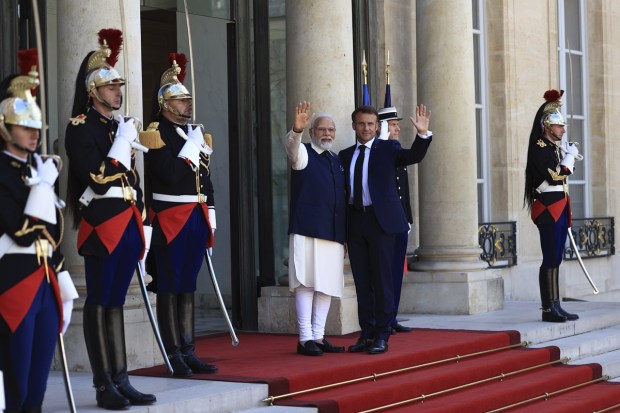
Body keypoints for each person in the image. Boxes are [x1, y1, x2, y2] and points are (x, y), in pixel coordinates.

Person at [64, 29, 156, 409]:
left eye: (119, 86)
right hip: (102, 224)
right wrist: (122, 141)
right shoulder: (81, 128)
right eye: (111, 86)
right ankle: (104, 385)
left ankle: (122, 378)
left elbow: (130, 179)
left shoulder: (117, 127)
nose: (118, 92)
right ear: (93, 91)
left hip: (127, 221)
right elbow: (98, 176)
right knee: (100, 302)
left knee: (116, 301)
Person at [0, 49, 78, 413]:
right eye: (25, 127)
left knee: (37, 382)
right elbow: (19, 230)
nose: (34, 134)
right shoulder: (5, 172)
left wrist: (61, 279)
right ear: (4, 127)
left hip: (46, 277)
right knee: (15, 378)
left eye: (36, 128)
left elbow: (52, 232)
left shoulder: (37, 170)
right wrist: (42, 188)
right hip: (14, 279)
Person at [140, 53, 218, 376]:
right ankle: (172, 352)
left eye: (187, 99)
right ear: (166, 104)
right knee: (170, 287)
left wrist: (211, 213)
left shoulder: (192, 133)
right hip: (171, 219)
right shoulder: (157, 132)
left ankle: (189, 349)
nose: (187, 104)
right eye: (181, 100)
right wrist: (191, 148)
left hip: (195, 217)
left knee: (188, 286)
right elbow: (169, 174)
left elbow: (205, 179)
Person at [339, 104, 431, 354]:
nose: (366, 128)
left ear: (377, 127)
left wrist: (422, 135)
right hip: (356, 223)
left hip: (382, 224)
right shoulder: (345, 155)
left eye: (371, 124)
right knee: (362, 281)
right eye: (361, 124)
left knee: (382, 281)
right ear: (354, 126)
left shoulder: (389, 149)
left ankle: (382, 334)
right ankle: (366, 334)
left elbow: (413, 157)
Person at [283, 101, 346, 356]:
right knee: (306, 284)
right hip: (307, 230)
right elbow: (292, 150)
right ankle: (304, 338)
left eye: (331, 130)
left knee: (326, 286)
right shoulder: (304, 153)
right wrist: (296, 131)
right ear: (312, 132)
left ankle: (319, 336)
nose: (327, 134)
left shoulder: (336, 159)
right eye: (322, 129)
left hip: (333, 233)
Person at [524, 89, 580, 323]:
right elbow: (557, 175)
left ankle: (556, 304)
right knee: (550, 257)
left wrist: (567, 155)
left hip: (559, 205)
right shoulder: (539, 147)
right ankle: (548, 309)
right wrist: (570, 158)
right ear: (548, 127)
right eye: (559, 126)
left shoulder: (553, 148)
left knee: (557, 256)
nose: (563, 130)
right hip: (548, 207)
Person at [377, 106, 414, 334]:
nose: (398, 128)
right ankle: (383, 318)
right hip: (384, 224)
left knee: (395, 275)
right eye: (392, 125)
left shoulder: (396, 149)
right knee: (383, 274)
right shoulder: (380, 152)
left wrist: (408, 218)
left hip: (400, 221)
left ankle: (391, 317)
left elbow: (403, 190)